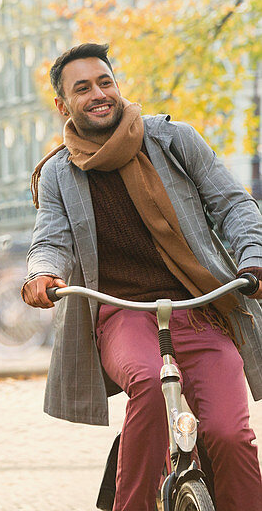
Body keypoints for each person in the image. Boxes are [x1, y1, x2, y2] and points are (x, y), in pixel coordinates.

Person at [22, 42, 262, 511]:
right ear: (62, 104)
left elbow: (233, 205)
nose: (98, 94)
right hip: (123, 315)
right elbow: (51, 239)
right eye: (83, 88)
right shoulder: (58, 173)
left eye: (105, 82)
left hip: (202, 307)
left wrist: (253, 257)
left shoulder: (174, 141)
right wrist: (42, 273)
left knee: (230, 436)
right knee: (150, 386)